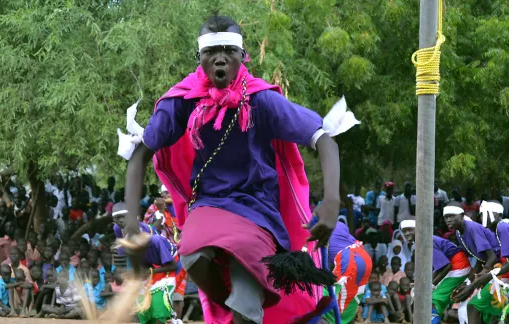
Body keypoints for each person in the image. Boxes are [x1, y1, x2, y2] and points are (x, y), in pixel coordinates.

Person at [119, 14, 356, 324]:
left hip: (257, 212)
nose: (220, 59)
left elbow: (324, 139)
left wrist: (331, 202)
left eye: (229, 51)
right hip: (209, 206)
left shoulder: (261, 99)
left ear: (243, 56)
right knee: (190, 250)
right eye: (211, 53)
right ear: (199, 58)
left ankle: (242, 309)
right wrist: (133, 224)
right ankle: (232, 306)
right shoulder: (183, 100)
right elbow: (140, 154)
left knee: (247, 309)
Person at [400, 219, 471, 323]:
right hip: (454, 266)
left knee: (432, 300)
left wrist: (431, 285)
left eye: (409, 230)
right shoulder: (421, 242)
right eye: (404, 231)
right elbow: (439, 267)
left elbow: (447, 266)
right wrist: (425, 284)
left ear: (418, 229)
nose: (406, 233)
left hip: (459, 266)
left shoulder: (426, 241)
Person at [451, 200, 508, 323]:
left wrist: (484, 277)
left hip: (504, 277)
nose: (482, 218)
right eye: (481, 214)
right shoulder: (495, 232)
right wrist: (469, 283)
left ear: (497, 214)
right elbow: (484, 260)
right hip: (503, 276)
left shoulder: (502, 227)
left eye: (485, 213)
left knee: (474, 306)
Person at [315, 217, 372, 323]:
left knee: (323, 292)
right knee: (350, 296)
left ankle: (329, 320)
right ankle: (348, 317)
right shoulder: (338, 224)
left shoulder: (317, 229)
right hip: (364, 257)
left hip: (349, 259)